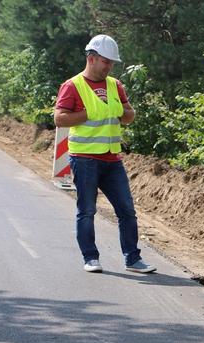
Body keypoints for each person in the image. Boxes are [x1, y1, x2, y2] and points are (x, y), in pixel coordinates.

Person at [54, 34, 156, 274]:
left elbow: (129, 116)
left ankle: (132, 258)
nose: (109, 66)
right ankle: (90, 257)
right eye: (106, 61)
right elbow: (59, 119)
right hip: (85, 159)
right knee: (87, 210)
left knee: (127, 211)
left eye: (112, 62)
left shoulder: (115, 85)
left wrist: (123, 111)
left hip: (112, 158)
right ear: (91, 58)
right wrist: (87, 113)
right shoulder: (73, 85)